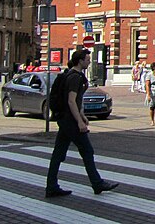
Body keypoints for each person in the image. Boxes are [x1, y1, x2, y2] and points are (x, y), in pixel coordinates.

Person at [45, 49, 119, 198]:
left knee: (58, 153)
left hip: (65, 119)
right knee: (87, 150)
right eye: (87, 59)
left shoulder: (71, 75)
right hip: (70, 120)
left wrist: (82, 115)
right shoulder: (75, 78)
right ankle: (97, 183)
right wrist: (79, 121)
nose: (89, 62)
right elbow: (71, 100)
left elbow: (76, 101)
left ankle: (51, 186)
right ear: (80, 61)